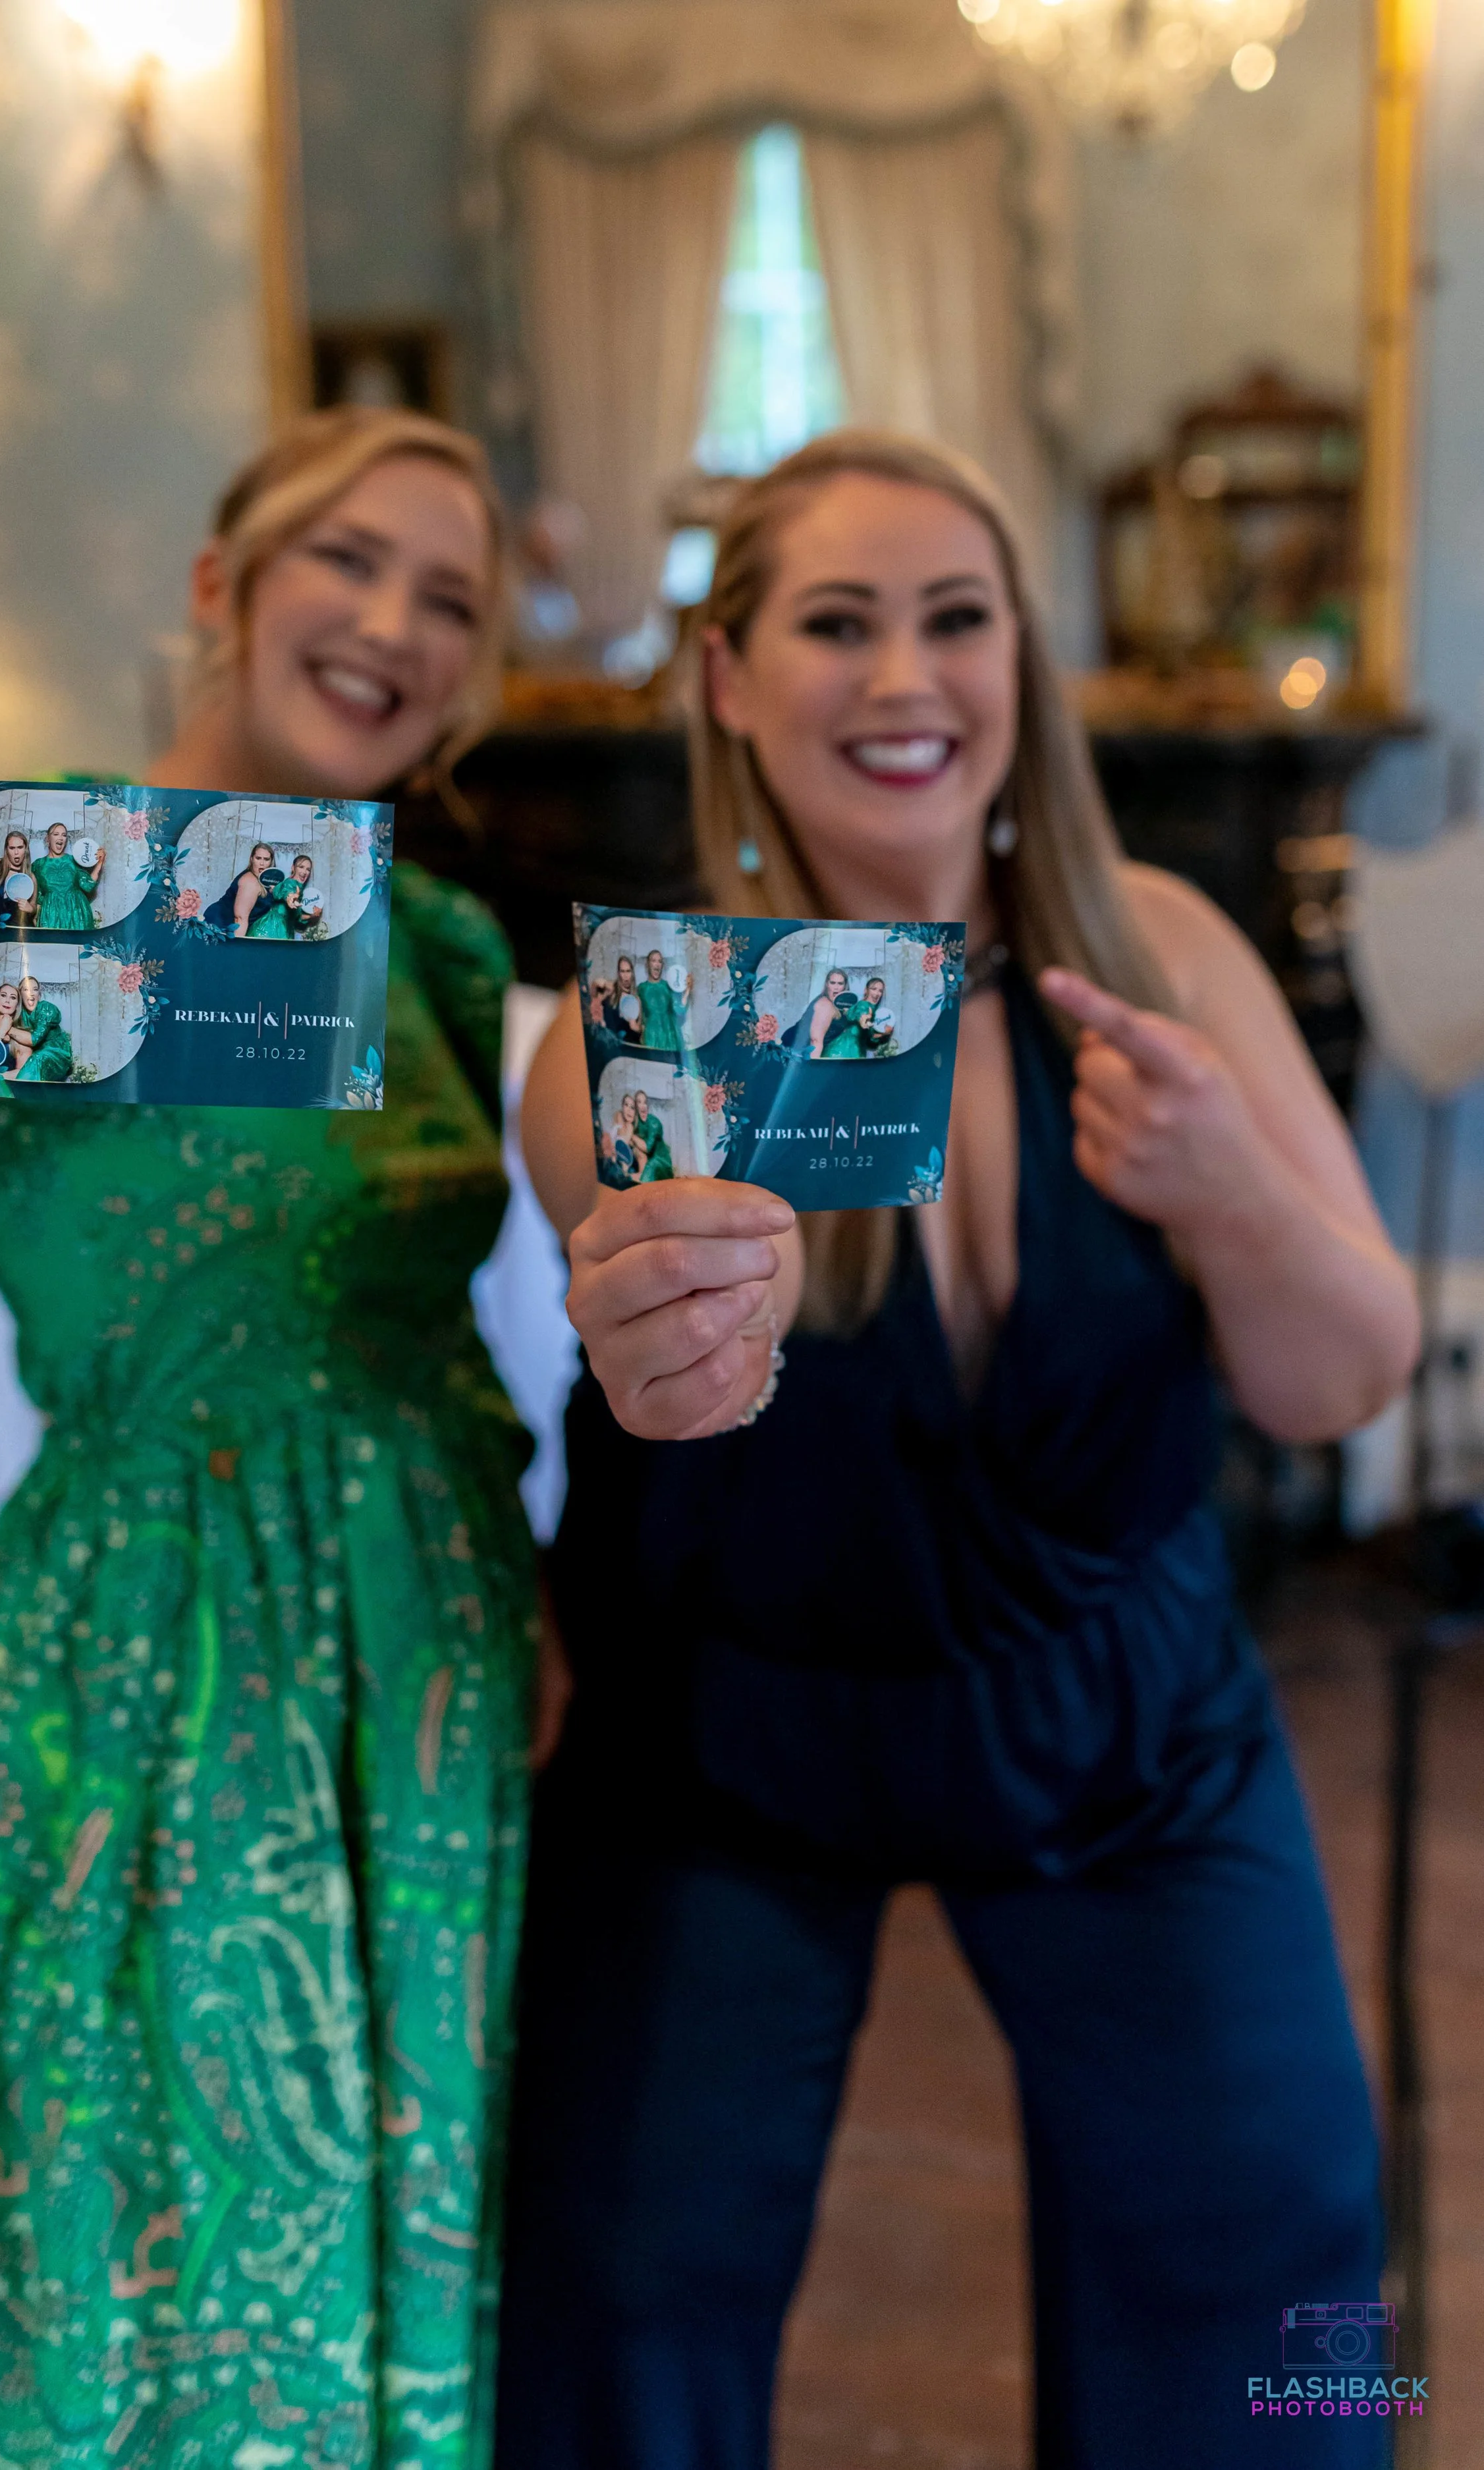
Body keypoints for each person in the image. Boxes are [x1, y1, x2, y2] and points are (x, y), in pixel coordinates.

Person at [503, 431, 1420, 2469]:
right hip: (731, 1741)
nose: (903, 675)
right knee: (617, 2267)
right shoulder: (629, 1037)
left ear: (1023, 654)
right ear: (725, 676)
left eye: (954, 616)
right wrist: (664, 1341)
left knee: (1287, 2243)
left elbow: (1336, 1377)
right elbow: (647, 1368)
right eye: (834, 621)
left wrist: (1227, 1193)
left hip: (1127, 1718)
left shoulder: (1164, 951)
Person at [0, 406, 544, 2470]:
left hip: (424, 1673)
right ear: (221, 585)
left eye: (452, 601)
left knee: (380, 2240)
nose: (393, 625)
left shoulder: (439, 947)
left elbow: (443, 1345)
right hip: (140, 1662)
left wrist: (527, 1591)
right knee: (127, 2247)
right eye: (347, 559)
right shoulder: (30, 874)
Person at [31, 817, 105, 929]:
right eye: (56, 834)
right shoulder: (38, 865)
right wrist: (35, 918)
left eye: (64, 835)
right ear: (48, 839)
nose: (61, 838)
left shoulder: (74, 861)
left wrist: (100, 863)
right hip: (51, 915)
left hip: (77, 914)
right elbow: (36, 896)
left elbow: (88, 885)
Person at [8, 972, 74, 1081]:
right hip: (35, 1057)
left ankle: (19, 1093)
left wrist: (8, 1029)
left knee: (38, 1059)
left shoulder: (47, 1009)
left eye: (35, 989)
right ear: (20, 995)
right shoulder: (19, 1013)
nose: (31, 993)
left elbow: (34, 1040)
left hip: (56, 1054)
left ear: (39, 995)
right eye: (26, 990)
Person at [636, 949, 690, 1051]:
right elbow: (640, 1019)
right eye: (654, 961)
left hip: (671, 1038)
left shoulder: (669, 986)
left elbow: (680, 1010)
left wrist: (687, 991)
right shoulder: (641, 989)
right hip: (651, 1039)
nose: (657, 964)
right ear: (648, 964)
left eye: (660, 961)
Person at [629, 1090, 673, 1183]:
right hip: (648, 1162)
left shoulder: (654, 1123)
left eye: (645, 1102)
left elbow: (647, 1148)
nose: (643, 1106)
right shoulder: (636, 1123)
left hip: (661, 1163)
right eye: (639, 1102)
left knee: (644, 1173)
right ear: (636, 1107)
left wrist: (632, 1136)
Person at [611, 952, 643, 1044]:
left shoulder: (637, 999)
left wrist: (636, 1027)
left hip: (632, 1047)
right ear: (619, 973)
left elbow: (640, 1029)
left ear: (632, 973)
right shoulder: (613, 994)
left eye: (628, 971)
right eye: (623, 971)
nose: (626, 976)